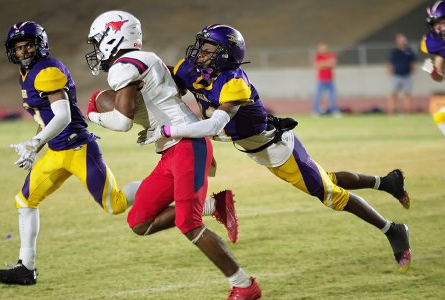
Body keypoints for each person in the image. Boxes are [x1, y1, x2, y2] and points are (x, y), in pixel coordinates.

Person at [151, 24, 412, 275]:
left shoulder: (233, 83)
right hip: (258, 149)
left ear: (226, 55)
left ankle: (393, 230)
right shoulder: (193, 69)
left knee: (331, 195)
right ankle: (388, 182)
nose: (201, 54)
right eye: (202, 47)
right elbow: (161, 78)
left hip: (278, 150)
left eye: (209, 49)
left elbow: (214, 125)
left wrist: (168, 131)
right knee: (326, 179)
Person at [84, 11, 261, 299]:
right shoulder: (148, 58)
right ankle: (214, 205)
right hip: (172, 149)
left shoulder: (123, 67)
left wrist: (92, 114)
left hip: (187, 144)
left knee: (188, 224)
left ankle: (244, 285)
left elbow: (122, 122)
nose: (96, 48)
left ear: (112, 37)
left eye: (98, 40)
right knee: (139, 223)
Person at [0, 21, 141, 286]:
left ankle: (164, 185)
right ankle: (25, 268)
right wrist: (36, 145)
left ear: (40, 46)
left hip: (78, 148)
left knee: (115, 205)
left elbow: (62, 116)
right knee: (25, 202)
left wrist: (35, 141)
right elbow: (46, 117)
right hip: (56, 151)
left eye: (29, 45)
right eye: (18, 48)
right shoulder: (25, 73)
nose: (24, 51)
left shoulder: (47, 70)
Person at [421, 0, 445, 136]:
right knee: (440, 118)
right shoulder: (436, 43)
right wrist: (433, 72)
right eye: (434, 24)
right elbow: (439, 77)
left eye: (441, 22)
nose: (438, 28)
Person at [387, 33, 417, 115]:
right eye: (401, 40)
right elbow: (390, 64)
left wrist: (413, 74)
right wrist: (390, 75)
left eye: (404, 40)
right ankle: (391, 113)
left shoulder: (410, 51)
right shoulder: (394, 52)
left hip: (407, 76)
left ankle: (407, 113)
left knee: (407, 94)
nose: (403, 42)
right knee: (393, 94)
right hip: (396, 76)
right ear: (397, 42)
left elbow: (413, 63)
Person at [312, 41, 340, 117]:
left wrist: (323, 64)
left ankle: (334, 111)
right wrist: (327, 63)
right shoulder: (318, 56)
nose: (322, 49)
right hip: (321, 80)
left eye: (324, 48)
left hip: (330, 80)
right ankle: (315, 111)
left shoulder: (331, 55)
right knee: (318, 96)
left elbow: (333, 64)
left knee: (332, 96)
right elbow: (317, 66)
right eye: (321, 48)